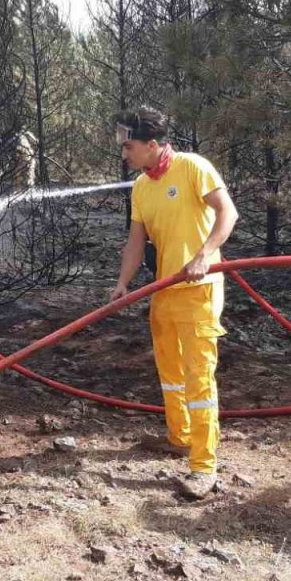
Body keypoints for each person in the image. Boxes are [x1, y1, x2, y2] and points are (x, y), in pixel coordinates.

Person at [109, 106, 238, 501]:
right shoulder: (141, 188)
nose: (124, 154)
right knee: (169, 369)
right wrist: (123, 284)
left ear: (152, 144)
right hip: (164, 289)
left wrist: (204, 255)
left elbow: (227, 213)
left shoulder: (193, 167)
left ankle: (204, 466)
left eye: (129, 146)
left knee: (198, 376)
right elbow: (136, 242)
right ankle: (180, 437)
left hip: (199, 290)